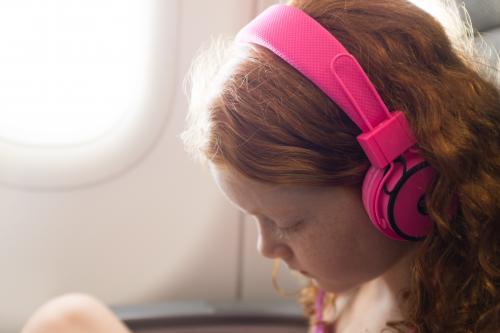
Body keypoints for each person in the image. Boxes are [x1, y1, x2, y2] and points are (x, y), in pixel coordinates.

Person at [20, 0, 499, 332]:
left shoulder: (465, 313)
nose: (266, 247)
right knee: (67, 319)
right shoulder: (356, 282)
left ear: (401, 190)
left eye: (287, 223)